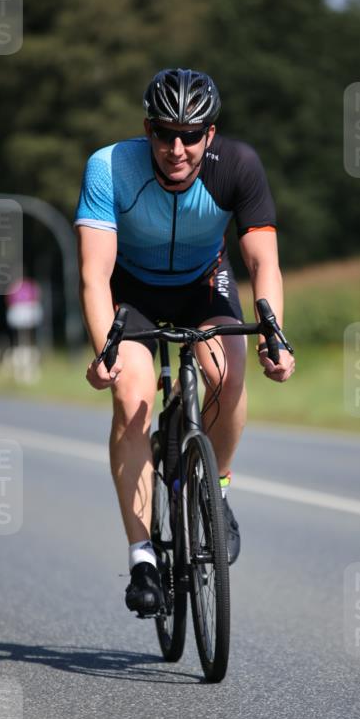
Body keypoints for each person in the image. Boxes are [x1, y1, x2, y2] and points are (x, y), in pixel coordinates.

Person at [75, 68, 295, 616]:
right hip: (133, 293)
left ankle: (215, 491)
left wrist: (277, 338)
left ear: (210, 134)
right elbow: (94, 276)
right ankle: (143, 556)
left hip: (204, 285)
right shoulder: (108, 168)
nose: (177, 148)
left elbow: (263, 261)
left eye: (191, 135)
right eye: (165, 133)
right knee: (132, 400)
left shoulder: (238, 167)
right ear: (147, 129)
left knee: (227, 372)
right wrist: (104, 349)